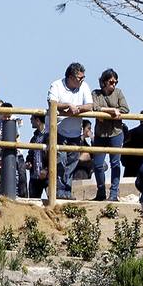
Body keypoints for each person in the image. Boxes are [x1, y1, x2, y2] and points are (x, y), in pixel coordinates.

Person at [49, 62, 93, 198]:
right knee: (59, 162)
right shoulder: (56, 85)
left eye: (83, 77)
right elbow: (52, 103)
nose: (82, 80)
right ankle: (58, 192)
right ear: (71, 77)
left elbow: (90, 105)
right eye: (80, 78)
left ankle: (66, 191)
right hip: (58, 130)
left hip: (75, 133)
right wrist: (68, 105)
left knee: (72, 163)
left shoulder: (84, 86)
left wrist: (77, 108)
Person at [91, 68, 129, 201]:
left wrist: (108, 113)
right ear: (104, 82)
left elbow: (125, 109)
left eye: (115, 82)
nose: (114, 85)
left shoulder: (118, 93)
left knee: (115, 163)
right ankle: (100, 190)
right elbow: (94, 107)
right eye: (111, 82)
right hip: (100, 134)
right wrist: (111, 110)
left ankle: (113, 193)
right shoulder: (96, 93)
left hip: (116, 133)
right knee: (98, 164)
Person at [27, 112, 49, 200]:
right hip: (35, 176)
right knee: (33, 203)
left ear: (37, 121)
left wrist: (46, 169)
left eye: (32, 119)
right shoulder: (34, 138)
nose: (30, 121)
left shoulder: (49, 136)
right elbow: (30, 154)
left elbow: (54, 156)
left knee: (52, 201)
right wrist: (28, 162)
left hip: (47, 176)